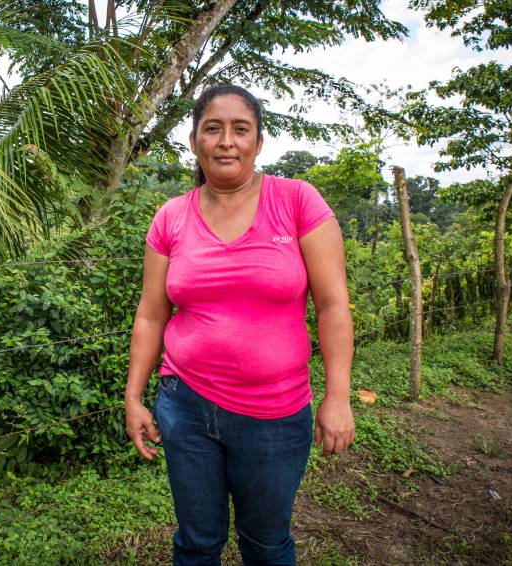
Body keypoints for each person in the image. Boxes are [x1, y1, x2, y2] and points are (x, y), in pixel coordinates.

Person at [124, 84, 355, 566]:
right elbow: (150, 313)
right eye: (213, 128)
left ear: (258, 142)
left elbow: (333, 306)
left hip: (274, 415)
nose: (226, 141)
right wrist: (134, 396)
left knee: (267, 545)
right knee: (196, 542)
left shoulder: (297, 202)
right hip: (184, 408)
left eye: (240, 129)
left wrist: (337, 398)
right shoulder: (171, 216)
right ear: (194, 142)